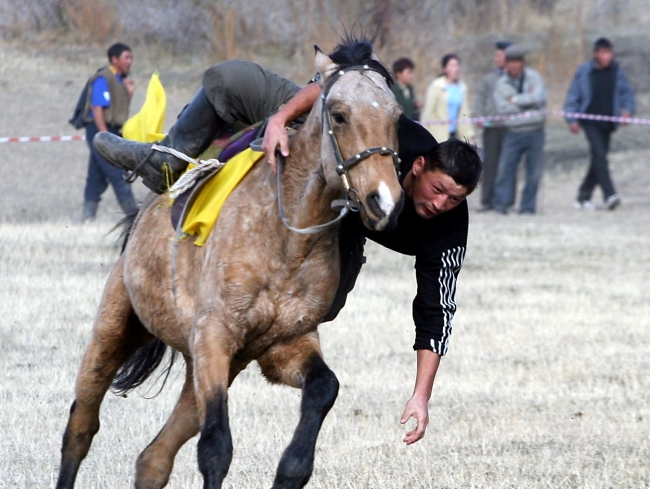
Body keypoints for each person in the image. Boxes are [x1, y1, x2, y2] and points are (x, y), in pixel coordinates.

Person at [94, 45, 483, 446]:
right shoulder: (391, 131)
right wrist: (280, 119)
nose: (441, 205)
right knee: (230, 78)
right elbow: (337, 82)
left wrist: (420, 396)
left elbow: (436, 310)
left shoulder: (448, 228)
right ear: (418, 166)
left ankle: (274, 346)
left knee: (328, 302)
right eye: (438, 190)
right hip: (318, 157)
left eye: (454, 199)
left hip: (342, 225)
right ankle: (164, 160)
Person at [565, 37, 636, 211]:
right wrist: (572, 119)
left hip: (608, 122)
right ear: (596, 54)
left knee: (598, 159)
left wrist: (627, 111)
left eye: (610, 52)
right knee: (600, 157)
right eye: (604, 53)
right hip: (589, 121)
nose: (607, 56)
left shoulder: (617, 72)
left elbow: (627, 93)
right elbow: (573, 95)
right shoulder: (584, 71)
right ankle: (610, 195)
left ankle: (582, 198)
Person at [82, 42, 138, 222]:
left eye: (130, 57)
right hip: (99, 130)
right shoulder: (103, 78)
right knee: (117, 173)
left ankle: (87, 219)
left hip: (110, 130)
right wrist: (104, 137)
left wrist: (129, 94)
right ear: (114, 59)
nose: (129, 61)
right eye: (126, 57)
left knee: (96, 177)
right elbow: (97, 108)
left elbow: (118, 111)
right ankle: (134, 218)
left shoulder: (121, 80)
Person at [492, 45, 547, 215]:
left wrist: (514, 100)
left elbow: (539, 98)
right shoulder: (501, 83)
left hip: (535, 130)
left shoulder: (534, 77)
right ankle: (502, 204)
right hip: (513, 131)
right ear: (506, 64)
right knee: (505, 169)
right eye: (511, 62)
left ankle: (527, 207)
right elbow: (502, 108)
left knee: (534, 172)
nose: (515, 65)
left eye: (518, 61)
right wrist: (528, 103)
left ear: (523, 62)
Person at [474, 41, 511, 211]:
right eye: (497, 55)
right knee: (490, 165)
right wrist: (479, 117)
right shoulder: (489, 78)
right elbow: (479, 99)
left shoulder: (516, 78)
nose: (498, 58)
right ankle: (487, 200)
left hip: (511, 127)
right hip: (492, 128)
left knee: (508, 165)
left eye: (501, 55)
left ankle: (505, 201)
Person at [422, 54, 474, 143]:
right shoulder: (436, 86)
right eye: (452, 65)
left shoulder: (462, 88)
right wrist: (424, 135)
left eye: (457, 65)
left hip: (456, 134)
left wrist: (469, 135)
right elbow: (428, 112)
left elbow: (465, 113)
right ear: (445, 69)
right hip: (438, 135)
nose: (456, 69)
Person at [391, 57, 420, 121]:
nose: (411, 76)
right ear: (398, 74)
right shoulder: (392, 90)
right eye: (409, 72)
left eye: (412, 72)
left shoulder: (410, 88)